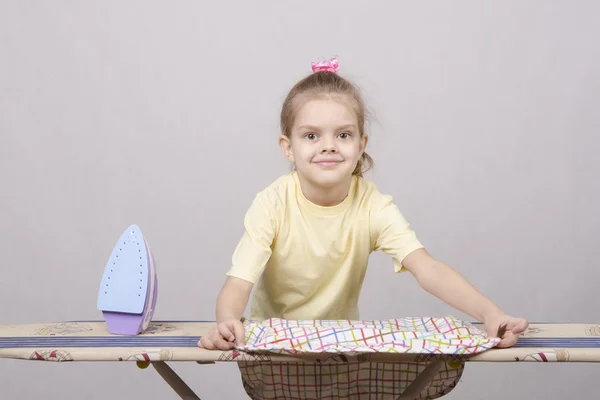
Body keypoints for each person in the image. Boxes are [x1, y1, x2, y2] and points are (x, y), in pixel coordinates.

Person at [198, 58, 528, 353]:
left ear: (361, 143)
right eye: (311, 136)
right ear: (288, 147)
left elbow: (429, 269)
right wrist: (227, 321)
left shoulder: (373, 206)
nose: (328, 146)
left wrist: (491, 314)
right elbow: (239, 281)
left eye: (343, 135)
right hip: (271, 349)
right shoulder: (271, 203)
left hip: (339, 348)